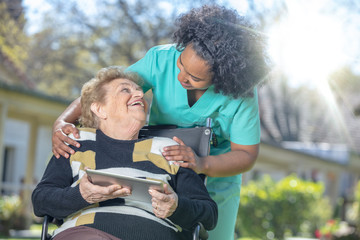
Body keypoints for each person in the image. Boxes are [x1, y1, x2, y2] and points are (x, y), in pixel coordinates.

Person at [51, 4, 269, 240]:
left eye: (194, 78)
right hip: (160, 162)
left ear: (224, 78)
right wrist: (62, 120)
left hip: (217, 172)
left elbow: (246, 155)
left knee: (210, 228)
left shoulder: (240, 95)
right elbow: (104, 92)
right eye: (181, 64)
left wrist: (201, 163)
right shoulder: (161, 59)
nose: (180, 77)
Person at [32, 66, 218, 240]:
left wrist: (176, 207)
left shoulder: (169, 149)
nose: (139, 93)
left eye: (139, 90)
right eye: (125, 90)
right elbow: (41, 201)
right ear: (99, 108)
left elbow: (209, 214)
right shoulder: (76, 143)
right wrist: (81, 195)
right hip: (87, 232)